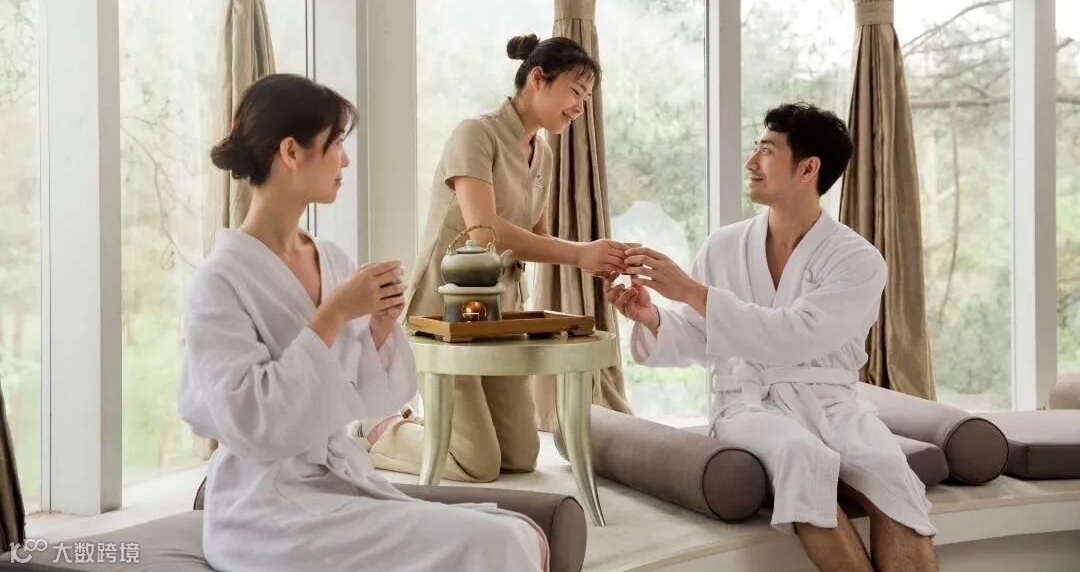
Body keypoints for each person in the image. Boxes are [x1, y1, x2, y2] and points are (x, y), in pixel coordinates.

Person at [179, 74, 546, 572]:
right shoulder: (220, 279)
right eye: (334, 144)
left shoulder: (331, 259)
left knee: (521, 532)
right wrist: (334, 314)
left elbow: (371, 399)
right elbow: (250, 420)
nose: (345, 161)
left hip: (338, 481)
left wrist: (375, 332)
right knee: (497, 542)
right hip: (264, 507)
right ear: (291, 152)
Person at [606, 103, 938, 572]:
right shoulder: (724, 246)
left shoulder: (858, 260)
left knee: (893, 475)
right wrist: (654, 318)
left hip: (834, 405)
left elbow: (794, 337)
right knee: (801, 455)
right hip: (749, 405)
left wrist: (690, 290)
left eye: (766, 151)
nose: (751, 162)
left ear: (808, 168)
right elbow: (702, 334)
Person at [368, 34, 629, 482]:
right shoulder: (476, 134)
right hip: (445, 311)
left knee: (520, 456)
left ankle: (438, 432)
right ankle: (380, 430)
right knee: (477, 463)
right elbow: (483, 232)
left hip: (500, 314)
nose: (579, 108)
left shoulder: (543, 154)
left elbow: (538, 238)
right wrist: (579, 253)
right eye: (575, 92)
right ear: (537, 79)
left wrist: (597, 262)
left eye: (586, 99)